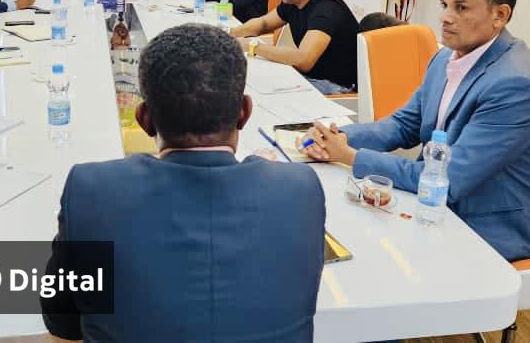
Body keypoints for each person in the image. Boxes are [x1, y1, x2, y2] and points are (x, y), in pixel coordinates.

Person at [42, 24, 324, 342]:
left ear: (144, 119)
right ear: (244, 113)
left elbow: (62, 324)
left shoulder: (92, 190)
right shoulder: (300, 189)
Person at [302, 0, 530, 262]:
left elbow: (450, 179)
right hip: (446, 204)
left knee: (369, 255)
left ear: (500, 15)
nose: (445, 17)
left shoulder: (517, 84)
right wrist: (336, 136)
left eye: (461, 8)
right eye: (445, 5)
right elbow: (403, 124)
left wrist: (350, 156)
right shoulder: (445, 57)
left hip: (503, 227)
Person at [230, 0, 358, 95]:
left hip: (336, 86)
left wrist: (252, 46)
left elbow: (303, 60)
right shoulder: (293, 2)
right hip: (312, 77)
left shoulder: (326, 10)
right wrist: (229, 34)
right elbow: (264, 23)